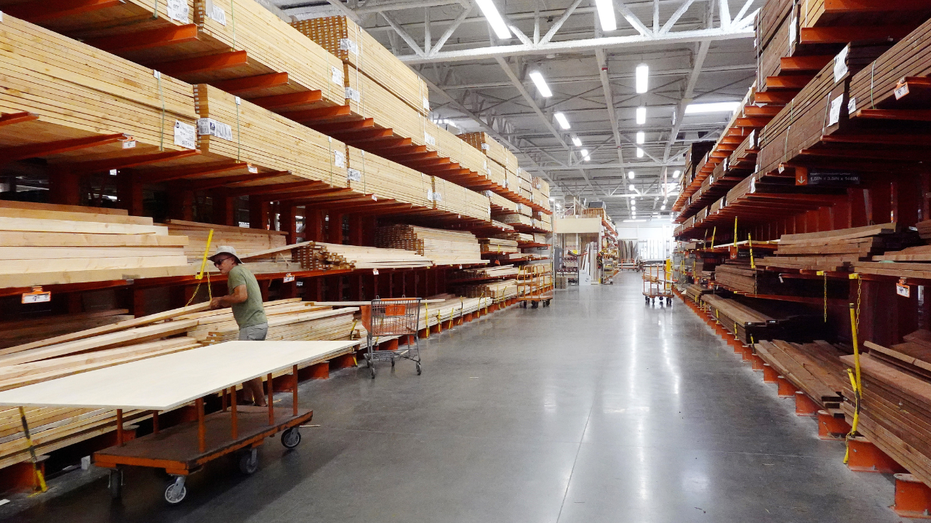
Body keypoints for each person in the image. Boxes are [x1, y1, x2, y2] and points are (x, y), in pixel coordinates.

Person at [209, 246, 269, 407]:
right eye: (215, 263)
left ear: (232, 259)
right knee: (246, 363)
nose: (218, 266)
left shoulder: (235, 272)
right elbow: (239, 297)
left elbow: (241, 296)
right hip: (257, 324)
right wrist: (225, 301)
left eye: (220, 261)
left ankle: (261, 403)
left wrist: (221, 299)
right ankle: (247, 398)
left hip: (251, 325)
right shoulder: (243, 271)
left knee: (249, 364)